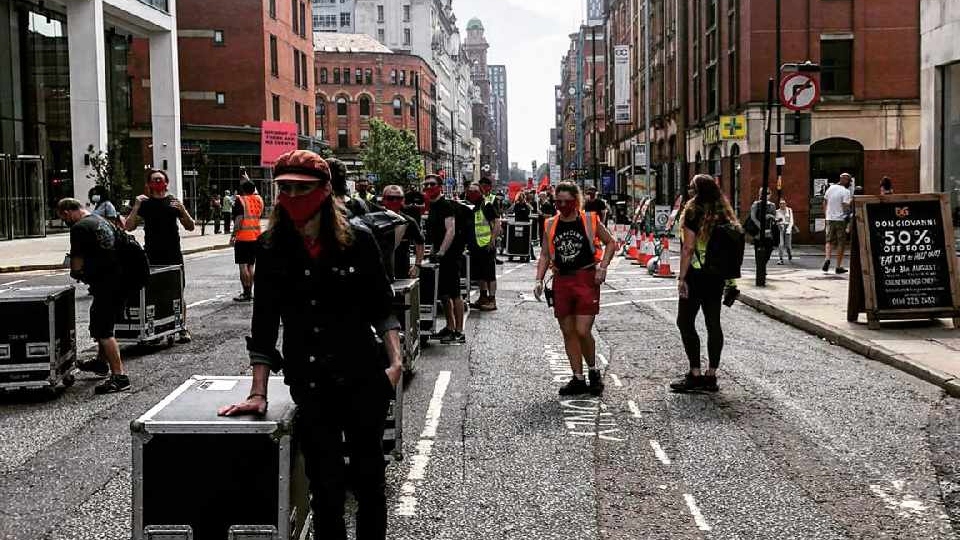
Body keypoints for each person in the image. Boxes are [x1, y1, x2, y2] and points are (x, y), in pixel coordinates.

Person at [217, 150, 402, 540]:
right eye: (284, 188)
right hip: (311, 380)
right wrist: (257, 391)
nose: (292, 196)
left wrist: (395, 361)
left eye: (302, 188)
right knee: (325, 485)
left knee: (369, 481)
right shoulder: (271, 247)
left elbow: (382, 306)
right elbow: (263, 323)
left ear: (324, 190)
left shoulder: (359, 239)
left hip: (362, 375)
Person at [534, 182, 617, 396]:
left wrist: (603, 267)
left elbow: (611, 242)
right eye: (558, 201)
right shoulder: (551, 224)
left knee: (582, 331)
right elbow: (544, 254)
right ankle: (578, 378)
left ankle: (593, 371)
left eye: (567, 201)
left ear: (576, 201)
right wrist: (538, 279)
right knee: (568, 331)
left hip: (585, 278)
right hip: (561, 280)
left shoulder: (589, 220)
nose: (562, 205)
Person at [670, 174, 741, 393]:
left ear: (697, 191)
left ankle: (695, 373)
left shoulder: (693, 211)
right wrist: (730, 282)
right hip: (717, 277)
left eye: (691, 187)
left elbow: (688, 248)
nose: (689, 191)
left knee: (685, 322)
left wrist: (682, 278)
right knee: (713, 324)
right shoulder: (724, 213)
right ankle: (711, 375)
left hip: (696, 275)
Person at [58, 198, 131, 394]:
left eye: (63, 218)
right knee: (103, 323)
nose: (65, 221)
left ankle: (120, 377)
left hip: (106, 283)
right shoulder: (100, 220)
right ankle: (100, 362)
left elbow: (77, 261)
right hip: (120, 280)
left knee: (103, 330)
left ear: (67, 212)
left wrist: (77, 273)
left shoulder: (79, 228)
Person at [125, 169, 196, 343]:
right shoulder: (145, 204)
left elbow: (190, 226)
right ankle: (157, 328)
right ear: (149, 184)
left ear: (166, 183)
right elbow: (129, 226)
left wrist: (183, 210)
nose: (158, 183)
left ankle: (182, 327)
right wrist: (135, 206)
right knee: (154, 293)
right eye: (154, 180)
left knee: (177, 290)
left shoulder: (173, 202)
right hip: (152, 254)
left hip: (173, 253)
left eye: (160, 180)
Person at [424, 174, 466, 344]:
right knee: (443, 293)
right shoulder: (433, 206)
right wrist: (433, 251)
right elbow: (435, 234)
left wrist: (441, 251)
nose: (428, 187)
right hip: (440, 255)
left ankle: (459, 332)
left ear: (440, 186)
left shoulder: (445, 205)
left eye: (432, 184)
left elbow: (451, 230)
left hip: (451, 255)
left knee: (455, 292)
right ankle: (449, 326)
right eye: (425, 185)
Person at [466, 182, 501, 311]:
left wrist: (492, 240)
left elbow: (497, 222)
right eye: (470, 191)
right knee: (480, 274)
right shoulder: (471, 205)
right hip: (475, 246)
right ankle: (483, 297)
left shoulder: (486, 204)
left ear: (480, 192)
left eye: (475, 191)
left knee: (489, 274)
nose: (472, 193)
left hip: (486, 245)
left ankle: (492, 300)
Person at [382, 184, 425, 279]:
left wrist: (417, 265)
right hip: (380, 272)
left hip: (402, 271)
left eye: (398, 198)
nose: (395, 201)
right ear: (383, 200)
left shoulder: (409, 221)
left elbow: (420, 242)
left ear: (403, 200)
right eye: (390, 198)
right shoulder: (373, 219)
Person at [230, 179, 263, 302]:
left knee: (243, 266)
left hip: (243, 237)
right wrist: (247, 179)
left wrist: (233, 235)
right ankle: (251, 292)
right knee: (251, 265)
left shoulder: (241, 201)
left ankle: (246, 292)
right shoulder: (259, 200)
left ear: (243, 190)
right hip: (256, 237)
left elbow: (238, 219)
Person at [822, 173, 853, 274]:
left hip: (829, 219)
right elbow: (845, 206)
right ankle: (838, 267)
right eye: (849, 181)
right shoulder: (846, 191)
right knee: (841, 243)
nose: (850, 183)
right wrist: (851, 202)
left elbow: (824, 202)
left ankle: (827, 259)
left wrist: (826, 215)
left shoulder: (830, 188)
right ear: (845, 180)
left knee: (829, 241)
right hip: (840, 220)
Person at [748, 187, 778, 272]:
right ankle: (761, 270)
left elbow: (774, 216)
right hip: (758, 232)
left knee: (769, 250)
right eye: (763, 193)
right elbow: (753, 217)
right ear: (760, 194)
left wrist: (771, 216)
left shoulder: (772, 205)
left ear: (770, 194)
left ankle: (762, 267)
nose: (765, 195)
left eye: (767, 193)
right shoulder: (756, 204)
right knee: (758, 252)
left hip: (769, 232)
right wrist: (760, 226)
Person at [776, 199, 795, 264]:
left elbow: (791, 221)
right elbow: (776, 221)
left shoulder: (789, 210)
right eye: (781, 204)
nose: (782, 205)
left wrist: (788, 229)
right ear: (779, 205)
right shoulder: (777, 212)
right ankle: (780, 259)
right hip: (781, 228)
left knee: (788, 246)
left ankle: (789, 254)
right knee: (781, 244)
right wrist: (778, 222)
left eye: (783, 203)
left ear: (785, 204)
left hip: (788, 228)